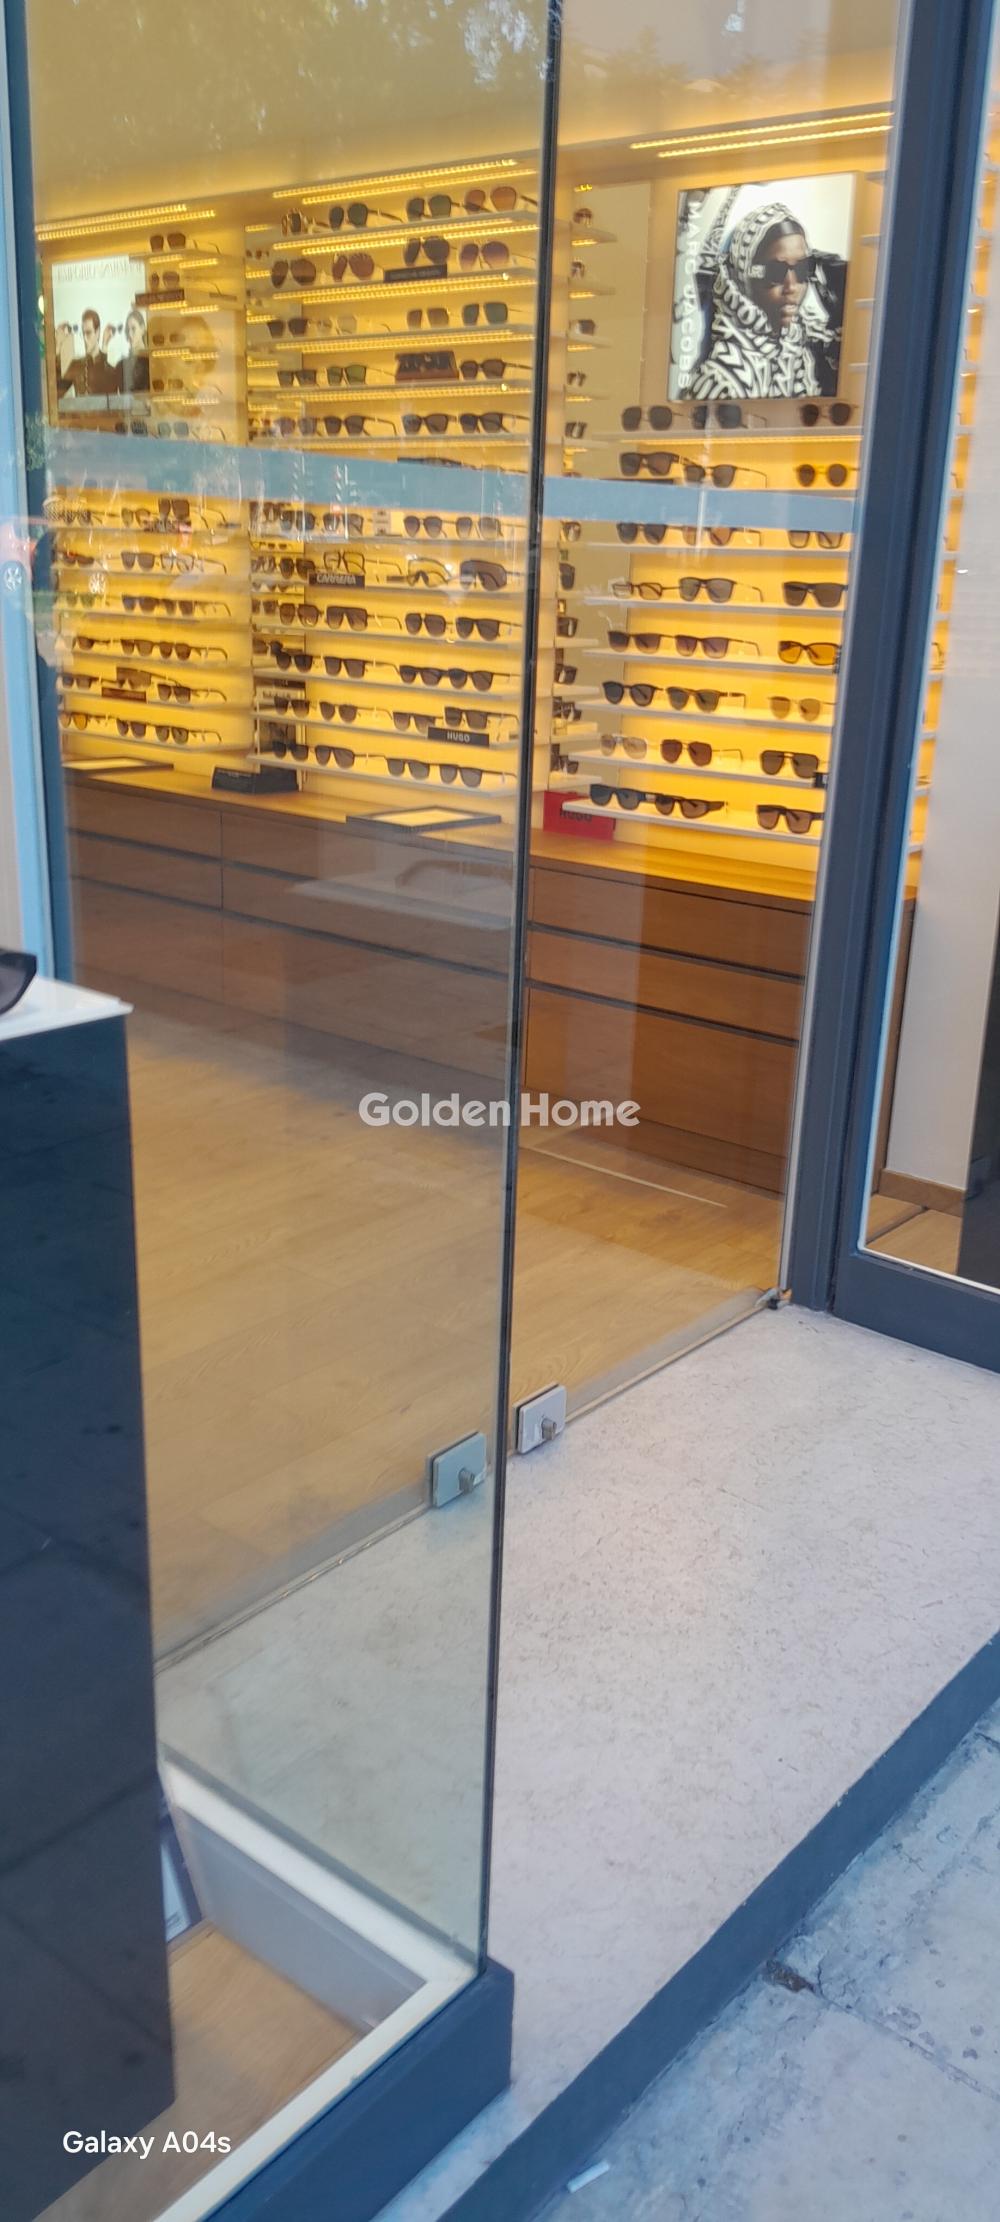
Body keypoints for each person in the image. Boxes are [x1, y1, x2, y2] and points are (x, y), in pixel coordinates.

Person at [688, 204, 836, 401]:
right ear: (743, 277)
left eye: (802, 270)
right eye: (776, 272)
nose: (791, 286)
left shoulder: (807, 348)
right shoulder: (721, 381)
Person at [59, 306, 120, 397]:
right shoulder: (76, 365)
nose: (84, 339)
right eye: (83, 333)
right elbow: (57, 392)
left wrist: (104, 346)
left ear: (97, 332)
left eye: (88, 333)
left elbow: (102, 377)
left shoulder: (111, 371)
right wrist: (58, 347)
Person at [120, 306, 150, 393]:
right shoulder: (122, 364)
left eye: (133, 329)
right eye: (127, 330)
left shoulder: (151, 360)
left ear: (142, 328)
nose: (130, 334)